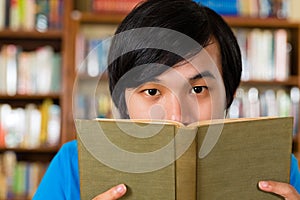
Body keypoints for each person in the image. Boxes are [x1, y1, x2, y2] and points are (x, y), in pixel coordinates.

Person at [33, 0, 300, 199]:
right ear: (122, 101)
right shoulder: (72, 164)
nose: (176, 115)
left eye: (198, 90)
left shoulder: (279, 167)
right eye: (152, 91)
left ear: (228, 95)